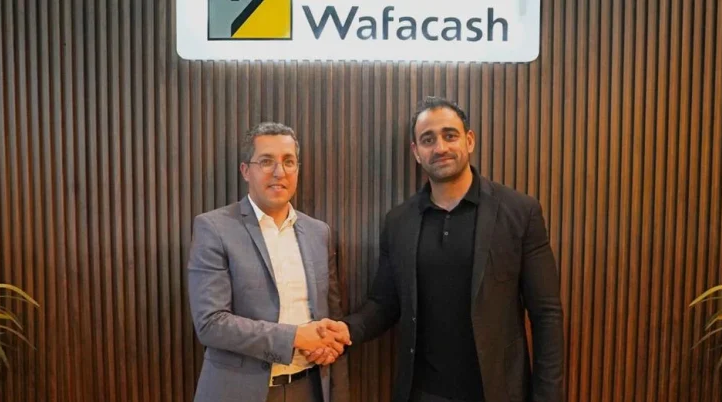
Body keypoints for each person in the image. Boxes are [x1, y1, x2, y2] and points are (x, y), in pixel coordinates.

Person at [312, 96, 564, 402]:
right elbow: (384, 303)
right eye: (428, 139)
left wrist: (548, 396)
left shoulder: (519, 212)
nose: (440, 147)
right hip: (422, 393)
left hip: (498, 392)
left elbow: (546, 314)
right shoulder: (399, 221)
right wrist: (346, 330)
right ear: (416, 152)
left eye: (450, 135)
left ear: (469, 141)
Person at [187, 122, 350, 402]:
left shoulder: (319, 232)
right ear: (245, 171)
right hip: (240, 392)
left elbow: (331, 316)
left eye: (289, 162)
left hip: (310, 387)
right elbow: (211, 324)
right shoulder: (214, 228)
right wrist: (295, 337)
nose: (279, 172)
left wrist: (328, 345)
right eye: (266, 161)